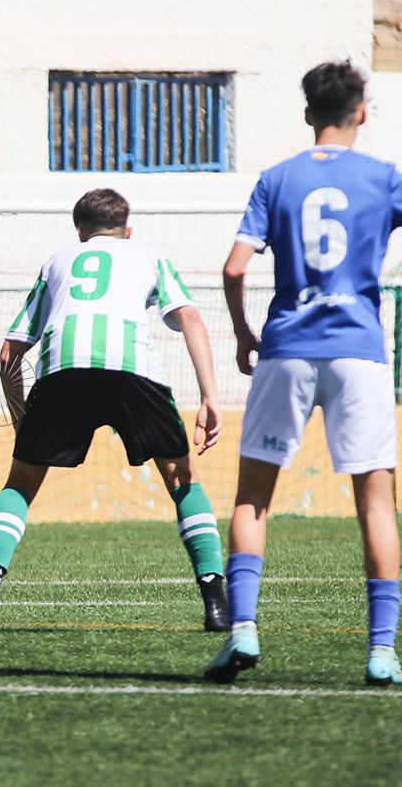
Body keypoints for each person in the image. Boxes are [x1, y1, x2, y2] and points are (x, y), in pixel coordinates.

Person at [0, 188, 227, 634]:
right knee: (182, 480)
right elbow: (190, 318)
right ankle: (216, 602)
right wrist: (211, 396)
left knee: (20, 484)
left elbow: (9, 352)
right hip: (134, 371)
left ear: (79, 232)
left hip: (62, 371)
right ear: (128, 231)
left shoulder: (57, 262)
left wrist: (23, 418)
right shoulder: (149, 257)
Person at [205, 61, 402, 686]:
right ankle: (380, 652)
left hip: (287, 347)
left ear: (308, 111)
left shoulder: (276, 179)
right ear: (362, 112)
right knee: (376, 503)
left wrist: (242, 332)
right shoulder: (384, 178)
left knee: (253, 495)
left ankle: (242, 632)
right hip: (358, 351)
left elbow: (235, 268)